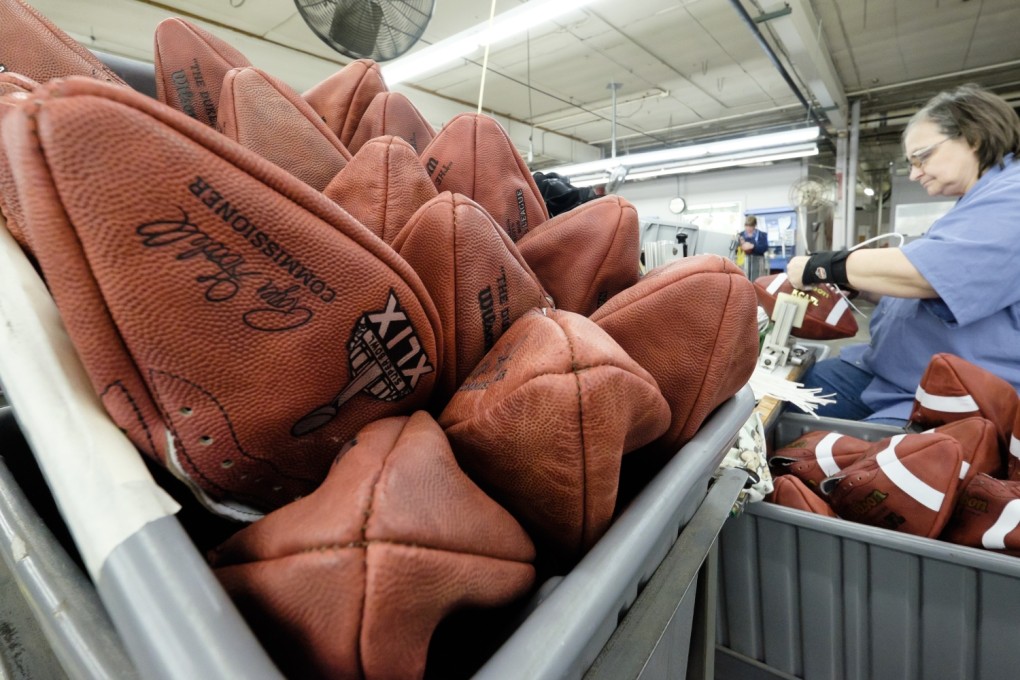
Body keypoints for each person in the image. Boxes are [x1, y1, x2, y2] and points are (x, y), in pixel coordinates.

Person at [785, 83, 1020, 426]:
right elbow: (933, 292)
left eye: (922, 157)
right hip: (890, 374)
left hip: (943, 400)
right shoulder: (974, 204)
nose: (914, 173)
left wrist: (823, 267)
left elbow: (930, 273)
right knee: (788, 390)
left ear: (973, 138)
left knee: (819, 453)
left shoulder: (1012, 196)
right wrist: (862, 287)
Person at [737, 215, 769, 280]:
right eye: (746, 226)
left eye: (750, 226)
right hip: (743, 263)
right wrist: (741, 246)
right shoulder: (740, 235)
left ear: (755, 225)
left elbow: (765, 247)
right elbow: (736, 251)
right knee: (743, 280)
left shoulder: (762, 235)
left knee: (756, 281)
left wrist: (753, 246)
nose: (748, 228)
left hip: (757, 264)